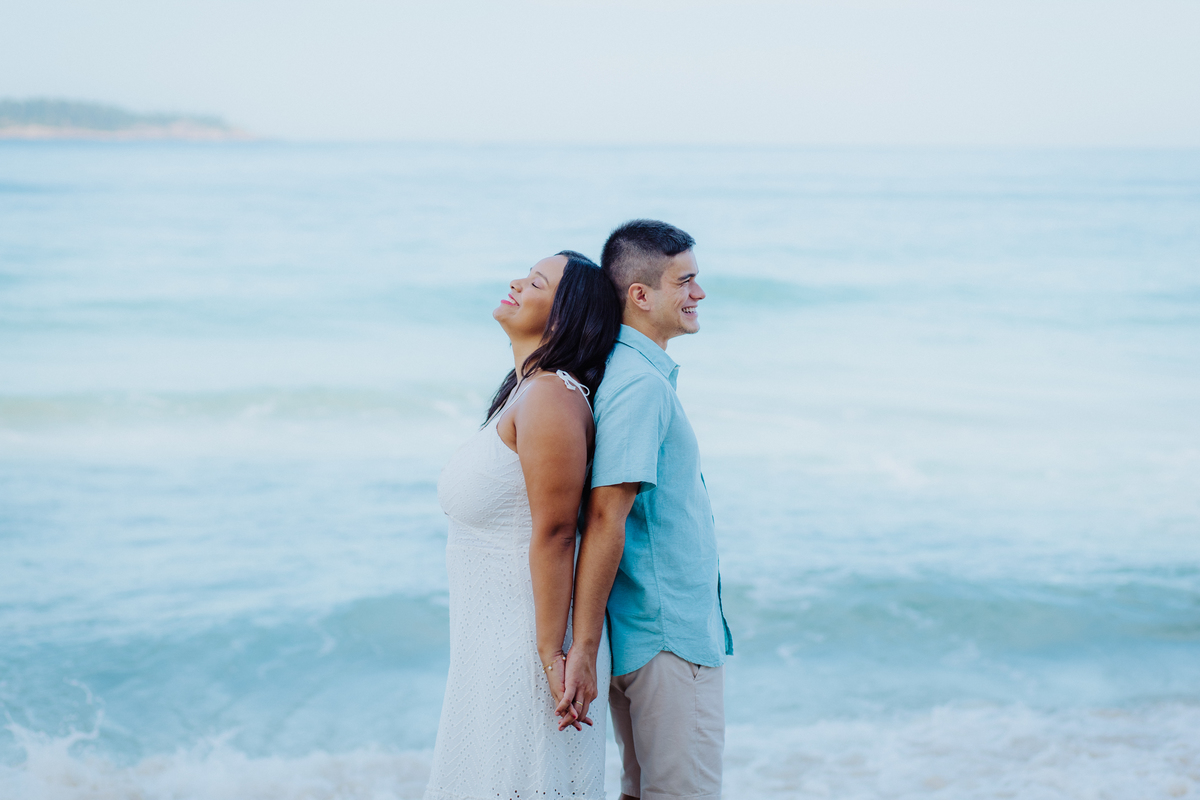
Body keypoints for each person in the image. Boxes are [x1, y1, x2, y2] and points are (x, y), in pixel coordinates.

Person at [424, 250, 622, 800]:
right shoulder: (526, 393)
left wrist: (551, 653)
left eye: (535, 283)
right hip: (494, 642)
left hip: (530, 647)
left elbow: (558, 533)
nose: (515, 282)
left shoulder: (552, 397)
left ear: (565, 318)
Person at [559, 221, 734, 800]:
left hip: (647, 632)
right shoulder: (640, 385)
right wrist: (585, 647)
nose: (698, 293)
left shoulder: (626, 372)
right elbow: (606, 515)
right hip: (666, 637)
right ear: (640, 294)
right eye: (685, 281)